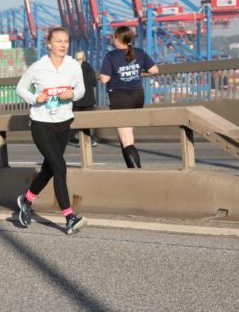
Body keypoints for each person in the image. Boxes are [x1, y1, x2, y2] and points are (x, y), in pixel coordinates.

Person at [14, 27, 87, 235]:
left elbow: (81, 90)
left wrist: (71, 94)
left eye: (66, 41)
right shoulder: (38, 67)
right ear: (49, 44)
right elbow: (20, 88)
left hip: (64, 122)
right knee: (60, 166)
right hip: (41, 123)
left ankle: (26, 201)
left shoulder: (73, 65)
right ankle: (69, 217)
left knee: (49, 168)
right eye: (59, 41)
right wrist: (34, 98)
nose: (63, 45)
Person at [98, 25, 158, 168]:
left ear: (117, 38)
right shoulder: (139, 52)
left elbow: (104, 79)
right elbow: (154, 70)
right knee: (126, 136)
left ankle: (137, 176)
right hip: (138, 96)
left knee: (127, 140)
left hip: (120, 98)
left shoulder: (111, 56)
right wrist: (138, 73)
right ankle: (131, 170)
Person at [69, 50, 98, 147]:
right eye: (77, 59)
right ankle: (88, 141)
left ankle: (73, 139)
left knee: (75, 121)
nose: (79, 61)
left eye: (80, 59)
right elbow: (94, 83)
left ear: (83, 59)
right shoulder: (89, 68)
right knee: (87, 122)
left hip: (77, 100)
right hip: (88, 99)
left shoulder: (72, 69)